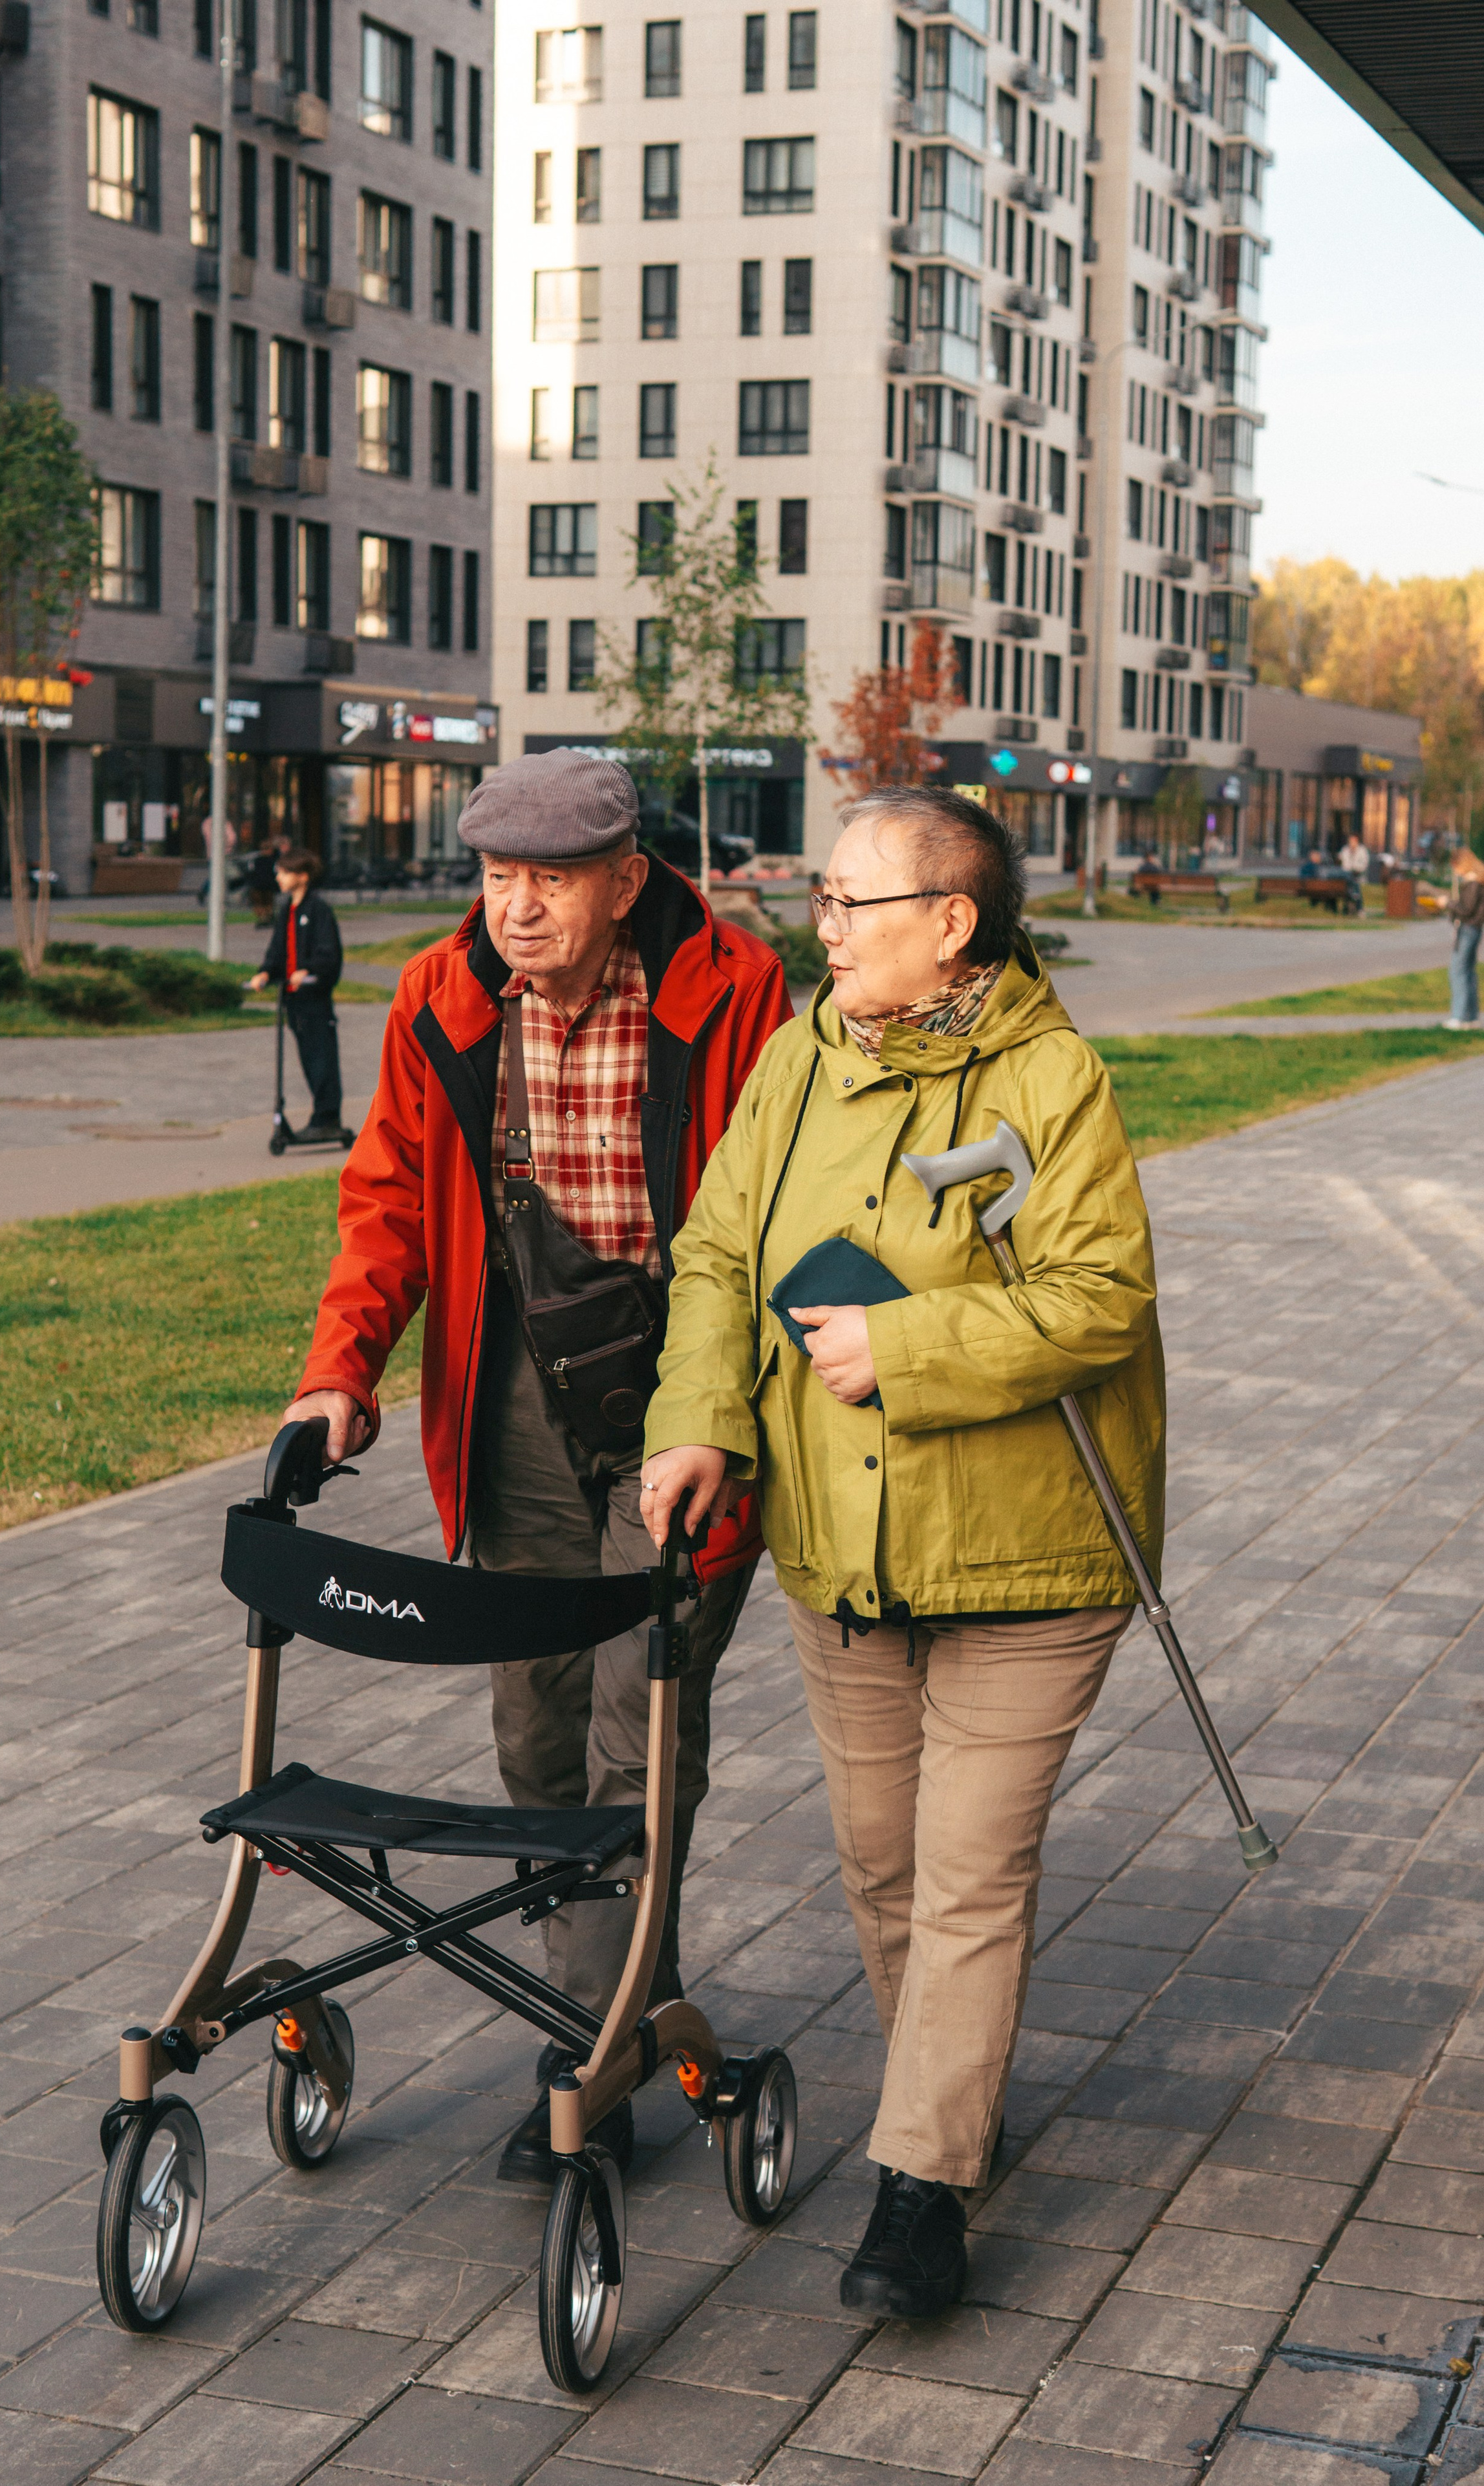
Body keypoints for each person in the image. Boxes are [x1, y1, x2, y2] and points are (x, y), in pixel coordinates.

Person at [641, 784, 1165, 2322]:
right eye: (817, 898)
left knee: (962, 1874)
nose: (818, 926)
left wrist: (908, 1343)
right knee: (878, 1864)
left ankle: (920, 2185)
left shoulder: (1049, 1079)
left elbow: (1095, 1299)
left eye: (848, 903)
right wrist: (700, 1423)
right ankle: (950, 2101)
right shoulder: (797, 1064)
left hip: (1027, 1561)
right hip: (841, 1556)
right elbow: (720, 1254)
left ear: (948, 926)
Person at [277, 748, 791, 2181]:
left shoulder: (732, 990)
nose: (518, 907)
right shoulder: (444, 1000)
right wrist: (340, 1373)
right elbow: (384, 1199)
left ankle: (593, 2045)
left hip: (686, 1386)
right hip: (512, 1388)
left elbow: (764, 1220)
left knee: (643, 1733)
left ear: (624, 879)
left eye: (551, 879)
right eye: (498, 877)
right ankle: (602, 1986)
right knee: (533, 1728)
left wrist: (727, 1405)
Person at [248, 847, 346, 1134]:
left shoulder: (318, 910)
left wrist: (311, 970)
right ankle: (322, 1116)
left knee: (321, 1058)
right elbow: (278, 950)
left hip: (314, 999)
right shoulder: (288, 911)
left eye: (285, 872)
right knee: (309, 1058)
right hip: (294, 1001)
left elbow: (329, 954)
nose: (278, 877)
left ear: (302, 877)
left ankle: (327, 1118)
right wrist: (266, 972)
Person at [1444, 848, 1484, 1032]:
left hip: (1468, 930)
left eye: (1455, 867)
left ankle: (1458, 1016)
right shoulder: (1478, 882)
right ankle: (1471, 1016)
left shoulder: (1473, 883)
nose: (1455, 872)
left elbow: (1466, 909)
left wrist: (1448, 904)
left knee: (1458, 972)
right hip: (1474, 929)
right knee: (1468, 973)